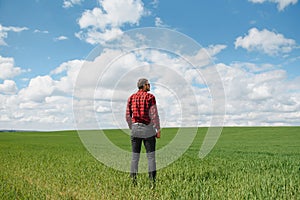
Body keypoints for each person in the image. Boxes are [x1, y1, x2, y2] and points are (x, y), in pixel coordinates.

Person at [126, 78, 161, 186]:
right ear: (144, 85)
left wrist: (133, 127)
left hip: (135, 129)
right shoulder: (150, 97)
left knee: (135, 157)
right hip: (148, 129)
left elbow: (128, 116)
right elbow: (154, 114)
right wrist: (158, 129)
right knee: (151, 157)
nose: (149, 86)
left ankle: (133, 182)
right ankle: (152, 183)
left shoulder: (131, 98)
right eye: (148, 84)